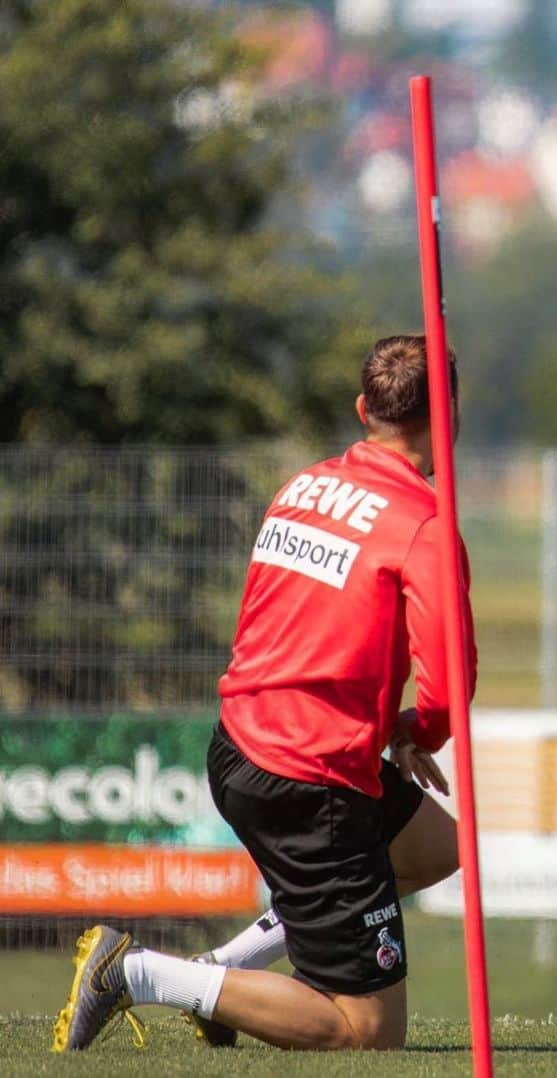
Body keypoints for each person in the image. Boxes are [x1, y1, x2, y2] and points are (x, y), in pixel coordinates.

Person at [52, 333, 477, 1053]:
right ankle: (142, 973)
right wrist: (417, 731)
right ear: (450, 415)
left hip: (243, 744)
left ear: (362, 409)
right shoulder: (424, 524)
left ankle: (224, 976)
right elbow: (450, 678)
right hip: (310, 780)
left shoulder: (304, 486)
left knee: (435, 848)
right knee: (365, 1031)